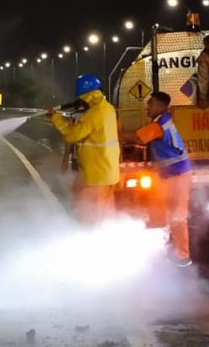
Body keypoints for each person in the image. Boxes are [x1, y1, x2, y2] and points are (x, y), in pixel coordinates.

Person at [121, 91, 193, 266]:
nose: (147, 108)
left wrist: (115, 134)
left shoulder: (159, 125)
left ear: (161, 105)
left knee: (177, 216)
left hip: (178, 175)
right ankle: (164, 250)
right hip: (170, 175)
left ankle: (183, 256)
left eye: (151, 104)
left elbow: (138, 137)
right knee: (158, 211)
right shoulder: (161, 122)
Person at [48, 74, 121, 225]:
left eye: (81, 97)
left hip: (95, 176)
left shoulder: (93, 115)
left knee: (91, 217)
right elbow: (80, 130)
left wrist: (55, 117)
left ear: (88, 96)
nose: (80, 101)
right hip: (108, 173)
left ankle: (92, 243)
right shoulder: (108, 109)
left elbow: (71, 136)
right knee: (105, 215)